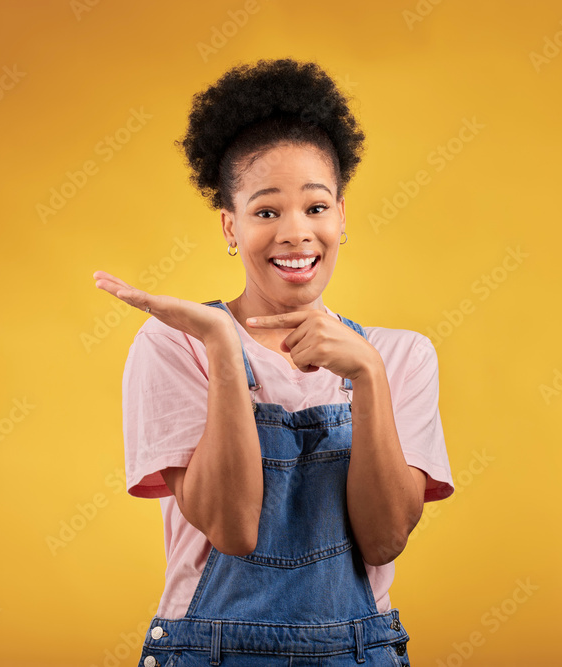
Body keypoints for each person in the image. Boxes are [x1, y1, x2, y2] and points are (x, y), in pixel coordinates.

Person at [93, 58, 454, 666]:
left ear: (341, 215)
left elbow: (385, 537)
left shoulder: (399, 356)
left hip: (358, 653)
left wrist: (366, 377)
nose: (295, 232)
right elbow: (232, 530)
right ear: (230, 227)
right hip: (212, 653)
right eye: (266, 212)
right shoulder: (177, 344)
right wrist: (222, 347)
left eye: (315, 208)